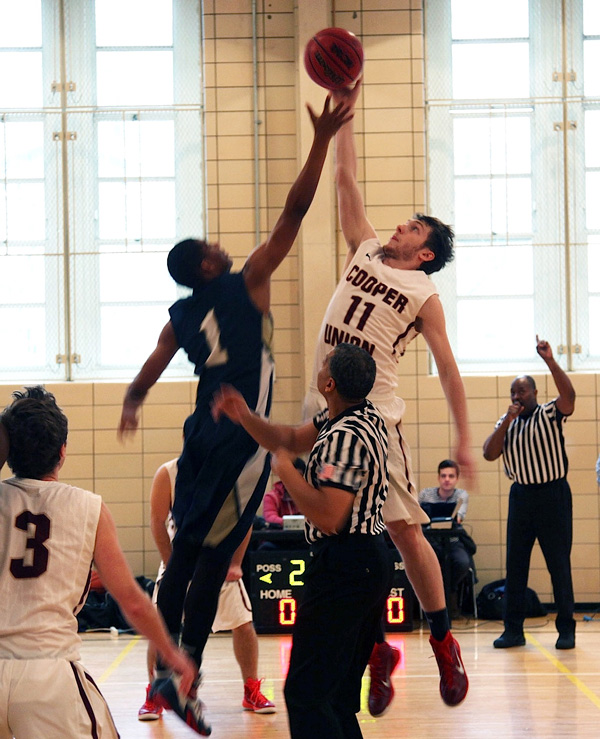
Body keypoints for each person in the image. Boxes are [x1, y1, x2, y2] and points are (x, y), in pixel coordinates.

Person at [117, 96, 352, 734]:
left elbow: (154, 362)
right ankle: (181, 674)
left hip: (199, 435)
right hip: (239, 438)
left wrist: (133, 401)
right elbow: (295, 213)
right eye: (211, 246)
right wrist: (322, 140)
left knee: (184, 556)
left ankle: (171, 670)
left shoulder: (182, 314)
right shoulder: (248, 281)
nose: (221, 244)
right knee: (213, 564)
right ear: (207, 266)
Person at [304, 77, 471, 710]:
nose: (396, 227)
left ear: (423, 251)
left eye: (409, 227)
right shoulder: (365, 249)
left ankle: (442, 641)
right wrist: (345, 109)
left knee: (402, 534)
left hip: (376, 419)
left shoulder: (425, 295)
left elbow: (449, 368)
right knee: (345, 537)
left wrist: (461, 433)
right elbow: (345, 182)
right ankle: (377, 649)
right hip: (330, 412)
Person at [212, 342, 392, 739]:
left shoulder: (344, 435)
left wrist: (287, 473)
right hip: (364, 562)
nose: (320, 361)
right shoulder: (358, 416)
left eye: (325, 362)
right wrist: (245, 417)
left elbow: (329, 516)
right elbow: (290, 438)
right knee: (337, 696)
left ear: (328, 383)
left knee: (305, 693)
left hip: (347, 564)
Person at [0, 387, 196, 739]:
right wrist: (171, 652)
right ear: (62, 452)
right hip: (49, 674)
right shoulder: (88, 506)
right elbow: (133, 601)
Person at [138, 456, 275, 721]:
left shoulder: (229, 470)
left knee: (243, 624)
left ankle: (251, 689)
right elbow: (157, 521)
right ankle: (155, 693)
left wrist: (235, 562)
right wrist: (172, 565)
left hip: (217, 560)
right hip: (180, 558)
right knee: (161, 627)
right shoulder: (168, 473)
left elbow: (243, 521)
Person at [483, 336, 576, 650]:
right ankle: (513, 631)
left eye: (522, 390)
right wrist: (507, 420)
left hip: (553, 495)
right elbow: (489, 453)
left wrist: (550, 360)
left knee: (558, 564)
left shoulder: (549, 413)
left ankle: (566, 629)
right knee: (516, 566)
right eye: (513, 391)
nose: (516, 395)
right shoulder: (507, 422)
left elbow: (570, 396)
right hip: (521, 497)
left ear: (535, 393)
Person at [419, 460, 475, 617]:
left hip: (453, 541)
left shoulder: (461, 495)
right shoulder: (425, 494)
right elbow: (419, 518)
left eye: (451, 476)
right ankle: (435, 602)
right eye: (443, 476)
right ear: (438, 478)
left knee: (462, 563)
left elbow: (458, 519)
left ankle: (449, 593)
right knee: (427, 564)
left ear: (457, 478)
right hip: (431, 541)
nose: (447, 479)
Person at [262, 457, 304, 526]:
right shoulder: (271, 497)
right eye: (291, 476)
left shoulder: (307, 497)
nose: (294, 481)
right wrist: (298, 523)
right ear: (283, 477)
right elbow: (269, 518)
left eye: (299, 477)